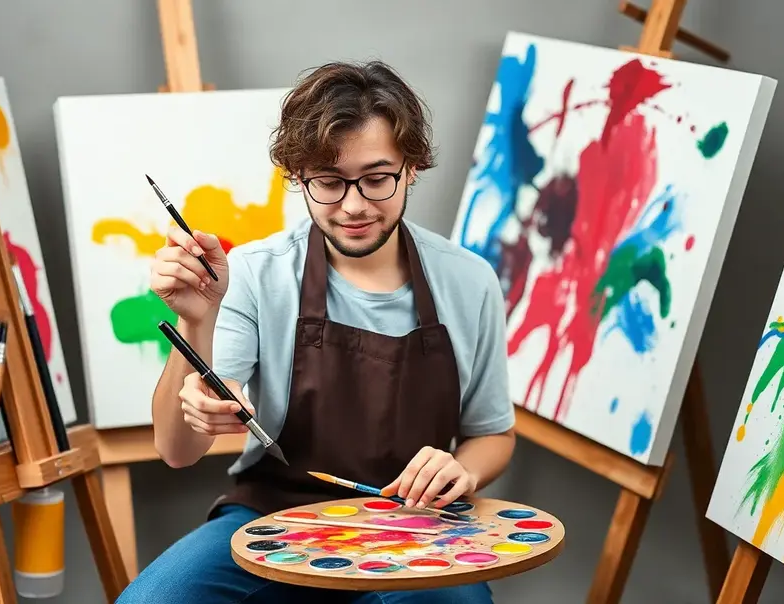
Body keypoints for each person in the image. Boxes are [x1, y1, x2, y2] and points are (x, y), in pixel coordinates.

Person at [117, 59, 516, 604]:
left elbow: (493, 433)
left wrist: (461, 471)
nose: (353, 206)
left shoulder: (469, 281)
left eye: (377, 178)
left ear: (412, 167)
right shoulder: (257, 273)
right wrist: (195, 319)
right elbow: (178, 450)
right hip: (274, 517)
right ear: (298, 178)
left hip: (412, 530)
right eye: (328, 182)